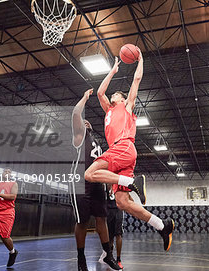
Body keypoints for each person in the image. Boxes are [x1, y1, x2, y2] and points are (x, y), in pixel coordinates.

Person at [84, 52, 174, 251]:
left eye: (117, 94)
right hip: (122, 154)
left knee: (89, 174)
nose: (114, 95)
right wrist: (112, 71)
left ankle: (132, 182)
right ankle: (162, 226)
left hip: (123, 146)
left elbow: (137, 79)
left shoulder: (127, 106)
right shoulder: (109, 110)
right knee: (123, 202)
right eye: (114, 94)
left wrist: (140, 60)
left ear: (123, 99)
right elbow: (100, 93)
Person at [71, 89, 122, 271]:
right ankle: (81, 259)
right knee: (83, 221)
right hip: (81, 181)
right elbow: (76, 113)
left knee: (102, 218)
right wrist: (84, 97)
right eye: (83, 123)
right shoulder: (80, 136)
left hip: (98, 183)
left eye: (88, 122)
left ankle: (108, 254)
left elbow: (104, 164)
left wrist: (109, 184)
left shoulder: (97, 143)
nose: (85, 122)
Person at [99, 184, 124, 269]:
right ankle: (110, 257)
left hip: (118, 209)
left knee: (118, 234)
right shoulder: (105, 182)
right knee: (109, 237)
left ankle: (118, 259)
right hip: (108, 210)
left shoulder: (119, 181)